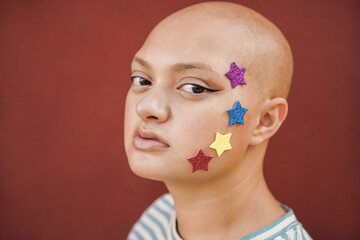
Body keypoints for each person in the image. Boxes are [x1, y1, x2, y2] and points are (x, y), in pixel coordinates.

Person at [124, 1, 312, 239]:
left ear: (264, 120)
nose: (146, 107)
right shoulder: (156, 219)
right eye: (142, 80)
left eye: (193, 87)